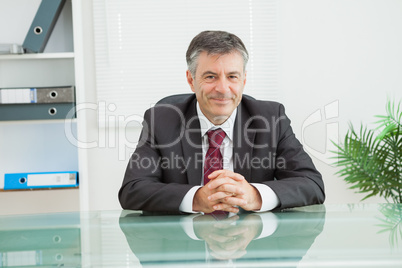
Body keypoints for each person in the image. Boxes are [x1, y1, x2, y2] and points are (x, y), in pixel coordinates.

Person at [119, 30, 325, 214]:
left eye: (232, 76)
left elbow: (312, 184)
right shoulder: (161, 120)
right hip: (185, 246)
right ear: (191, 80)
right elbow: (133, 189)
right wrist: (197, 199)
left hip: (252, 245)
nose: (223, 88)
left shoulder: (271, 118)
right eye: (210, 76)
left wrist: (255, 195)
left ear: (243, 81)